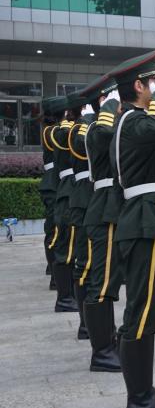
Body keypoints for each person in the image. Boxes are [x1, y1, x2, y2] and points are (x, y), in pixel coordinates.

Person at [108, 50, 155, 408]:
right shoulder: (133, 121)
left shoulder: (133, 121)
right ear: (138, 86)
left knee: (147, 309)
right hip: (144, 223)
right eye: (154, 81)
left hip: (150, 220)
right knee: (142, 311)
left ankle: (142, 393)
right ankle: (138, 398)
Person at [80, 73, 123, 372]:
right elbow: (106, 134)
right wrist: (108, 106)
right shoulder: (97, 128)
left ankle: (109, 341)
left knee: (108, 281)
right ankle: (102, 352)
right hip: (104, 209)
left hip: (111, 206)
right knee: (102, 281)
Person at [68, 91, 97, 339]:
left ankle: (93, 325)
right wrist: (88, 121)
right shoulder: (78, 128)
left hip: (95, 197)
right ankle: (86, 324)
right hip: (84, 197)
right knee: (86, 264)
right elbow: (80, 147)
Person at [50, 93, 81, 314]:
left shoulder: (69, 128)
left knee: (71, 248)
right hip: (69, 190)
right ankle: (64, 298)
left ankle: (68, 296)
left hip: (72, 189)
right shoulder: (63, 130)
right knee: (66, 249)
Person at [39, 97, 63, 290]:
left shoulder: (52, 129)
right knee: (54, 230)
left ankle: (54, 269)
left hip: (55, 182)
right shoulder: (50, 131)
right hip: (53, 184)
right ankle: (56, 277)